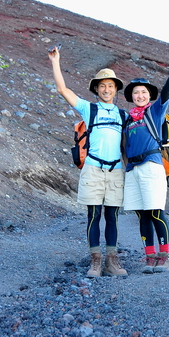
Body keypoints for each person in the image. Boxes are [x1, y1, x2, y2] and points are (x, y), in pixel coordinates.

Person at [48, 46, 128, 277]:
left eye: (110, 86)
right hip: (93, 167)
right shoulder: (88, 109)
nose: (106, 89)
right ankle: (95, 260)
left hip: (115, 170)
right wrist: (56, 61)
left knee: (111, 216)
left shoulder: (123, 115)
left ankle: (112, 261)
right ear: (97, 88)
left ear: (115, 90)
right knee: (93, 215)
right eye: (102, 85)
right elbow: (62, 89)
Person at [122, 44, 169, 274]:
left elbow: (167, 90)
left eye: (143, 92)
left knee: (155, 211)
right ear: (131, 97)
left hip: (152, 166)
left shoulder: (155, 111)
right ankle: (149, 256)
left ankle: (165, 256)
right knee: (141, 214)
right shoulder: (128, 118)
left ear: (149, 95)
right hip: (133, 169)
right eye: (136, 93)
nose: (140, 95)